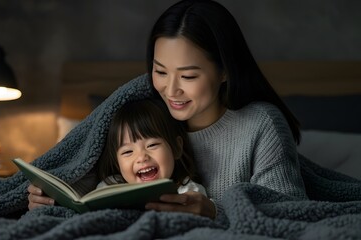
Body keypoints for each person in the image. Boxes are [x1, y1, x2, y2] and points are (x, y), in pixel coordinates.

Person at [29, 0, 308, 219]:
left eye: (188, 77)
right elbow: (89, 174)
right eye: (160, 71)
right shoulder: (144, 111)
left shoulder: (261, 125)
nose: (171, 91)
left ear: (224, 71)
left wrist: (215, 212)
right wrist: (49, 197)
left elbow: (292, 212)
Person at [28, 98, 206, 210]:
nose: (142, 157)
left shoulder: (188, 190)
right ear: (117, 160)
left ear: (176, 148)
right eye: (128, 151)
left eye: (152, 145)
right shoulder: (109, 187)